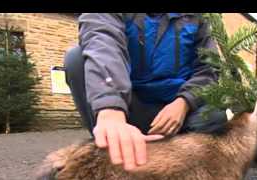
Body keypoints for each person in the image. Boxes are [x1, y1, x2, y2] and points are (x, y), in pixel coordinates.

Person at [64, 13, 227, 172]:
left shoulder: (198, 17)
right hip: (131, 105)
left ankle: (183, 173)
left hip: (176, 111)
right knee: (75, 59)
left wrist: (184, 102)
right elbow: (102, 43)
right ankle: (112, 149)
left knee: (214, 116)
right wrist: (111, 109)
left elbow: (208, 70)